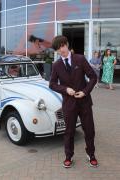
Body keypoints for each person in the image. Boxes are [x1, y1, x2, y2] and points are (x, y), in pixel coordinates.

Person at [49, 35, 98, 168]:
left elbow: (93, 77)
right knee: (69, 131)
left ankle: (91, 154)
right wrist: (65, 89)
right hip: (69, 104)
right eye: (58, 49)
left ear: (67, 44)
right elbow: (52, 84)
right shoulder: (56, 65)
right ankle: (68, 156)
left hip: (84, 102)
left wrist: (85, 91)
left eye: (62, 46)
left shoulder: (80, 59)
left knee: (89, 130)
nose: (61, 50)